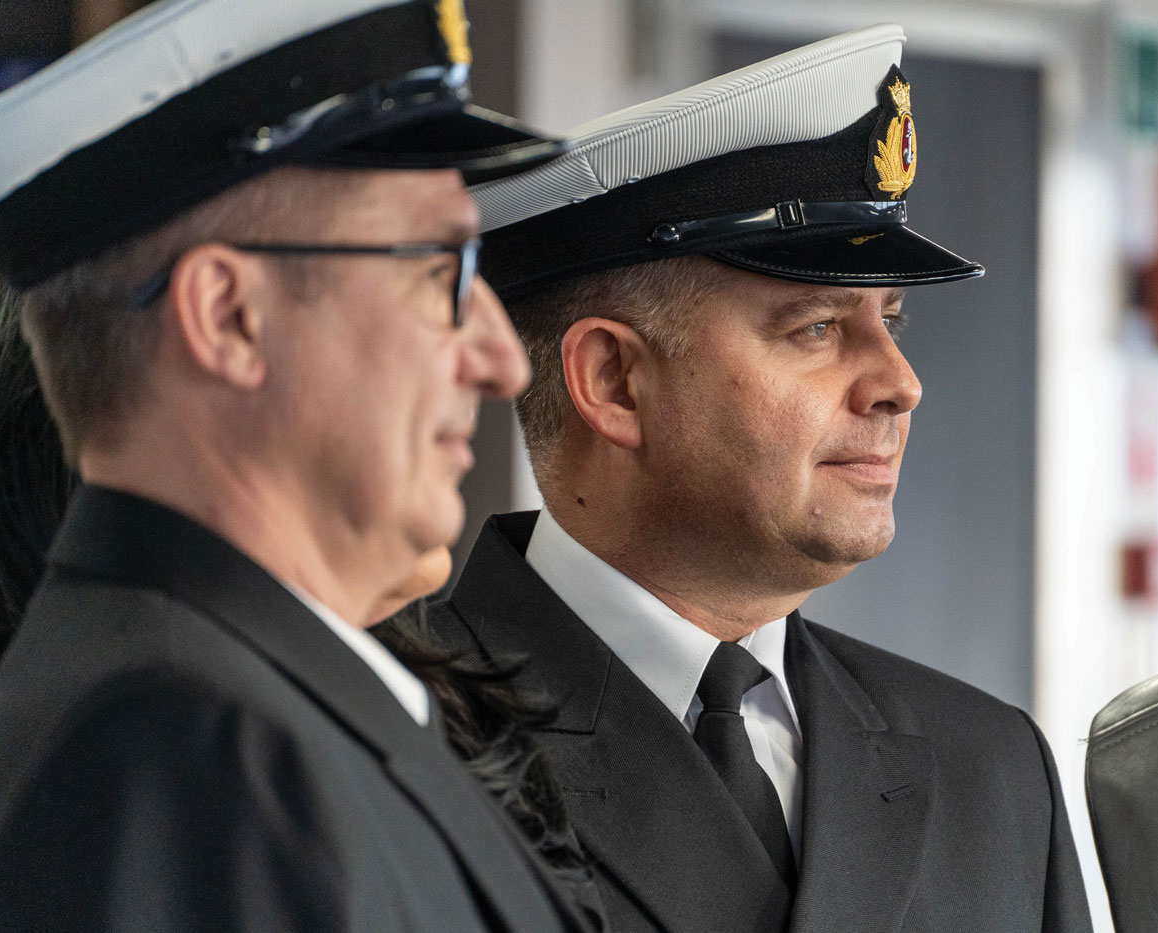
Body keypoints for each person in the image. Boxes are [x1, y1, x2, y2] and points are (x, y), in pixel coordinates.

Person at [431, 24, 1094, 933]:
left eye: (892, 321)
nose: (900, 383)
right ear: (614, 382)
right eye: (816, 327)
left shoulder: (987, 766)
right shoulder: (390, 736)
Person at [0, 1, 594, 929]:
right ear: (229, 316)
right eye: (442, 273)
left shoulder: (239, 714)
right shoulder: (179, 748)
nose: (502, 360)